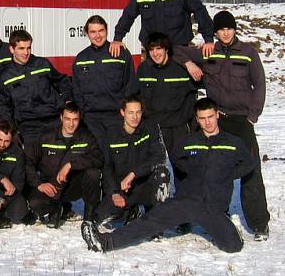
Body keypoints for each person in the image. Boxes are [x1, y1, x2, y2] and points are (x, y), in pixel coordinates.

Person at [91, 98, 254, 253]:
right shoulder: (190, 141)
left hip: (213, 206)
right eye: (202, 118)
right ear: (197, 119)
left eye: (210, 117)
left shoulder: (233, 143)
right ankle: (106, 242)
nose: (208, 122)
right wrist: (191, 173)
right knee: (151, 219)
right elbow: (176, 158)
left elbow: (248, 163)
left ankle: (232, 231)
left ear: (217, 115)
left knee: (233, 246)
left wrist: (226, 175)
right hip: (187, 200)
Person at [176, 10, 270, 241]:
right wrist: (190, 63)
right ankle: (209, 215)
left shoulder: (248, 53)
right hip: (216, 120)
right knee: (208, 169)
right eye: (221, 29)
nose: (225, 33)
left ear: (234, 29)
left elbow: (259, 84)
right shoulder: (209, 51)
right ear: (216, 32)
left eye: (229, 28)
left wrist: (252, 116)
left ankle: (259, 224)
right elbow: (176, 50)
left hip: (242, 120)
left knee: (250, 169)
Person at [25, 102, 103, 242]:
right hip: (51, 185)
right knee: (36, 204)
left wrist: (71, 164)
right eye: (67, 119)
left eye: (75, 119)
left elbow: (98, 159)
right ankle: (58, 208)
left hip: (74, 185)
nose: (71, 124)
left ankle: (89, 218)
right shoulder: (46, 136)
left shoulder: (86, 136)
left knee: (94, 173)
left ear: (80, 119)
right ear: (61, 117)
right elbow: (28, 162)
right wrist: (39, 184)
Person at [95, 95, 169, 226]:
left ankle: (155, 220)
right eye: (130, 112)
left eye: (138, 112)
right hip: (123, 188)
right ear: (122, 112)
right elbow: (106, 166)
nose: (135, 117)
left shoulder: (150, 129)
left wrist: (134, 173)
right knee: (104, 216)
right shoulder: (111, 134)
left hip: (145, 184)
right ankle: (131, 211)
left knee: (162, 174)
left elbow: (160, 157)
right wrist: (114, 192)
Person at [126, 32, 198, 164]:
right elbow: (132, 95)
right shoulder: (144, 69)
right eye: (151, 49)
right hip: (153, 128)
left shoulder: (181, 69)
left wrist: (189, 63)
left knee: (183, 170)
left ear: (166, 49)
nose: (155, 53)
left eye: (159, 48)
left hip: (178, 129)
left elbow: (195, 94)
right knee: (158, 173)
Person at [0, 29, 73, 146]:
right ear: (12, 49)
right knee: (32, 162)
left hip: (53, 121)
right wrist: (12, 131)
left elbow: (62, 80)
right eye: (21, 48)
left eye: (28, 48)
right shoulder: (5, 75)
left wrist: (68, 100)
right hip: (28, 127)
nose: (26, 52)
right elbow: (4, 107)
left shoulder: (42, 64)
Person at [72, 15, 135, 143]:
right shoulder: (81, 59)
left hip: (117, 117)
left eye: (101, 31)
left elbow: (131, 84)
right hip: (92, 120)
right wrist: (84, 116)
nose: (98, 36)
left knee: (118, 157)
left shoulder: (120, 54)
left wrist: (125, 112)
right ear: (87, 34)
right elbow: (77, 90)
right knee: (98, 157)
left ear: (107, 31)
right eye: (93, 32)